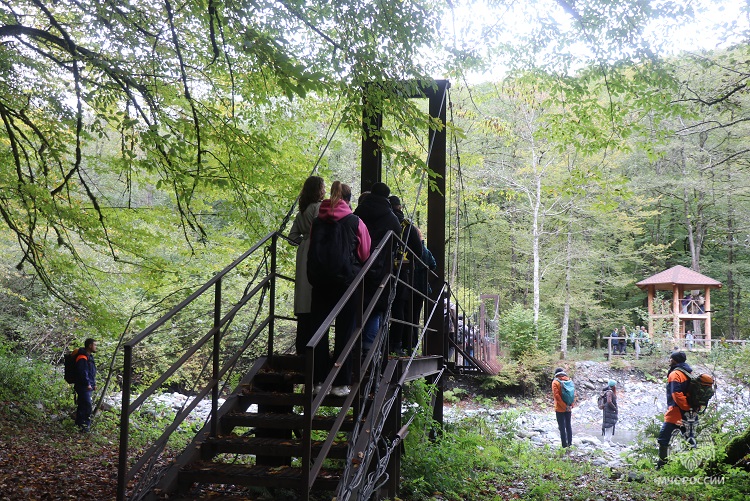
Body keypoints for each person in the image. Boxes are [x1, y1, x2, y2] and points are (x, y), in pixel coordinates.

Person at [309, 181, 371, 397]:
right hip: (347, 282)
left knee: (319, 330)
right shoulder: (356, 221)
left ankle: (317, 382)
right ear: (349, 199)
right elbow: (364, 253)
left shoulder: (317, 221)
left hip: (319, 282)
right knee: (345, 331)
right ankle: (340, 384)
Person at [353, 182, 400, 352]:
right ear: (387, 197)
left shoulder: (358, 213)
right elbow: (397, 239)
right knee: (376, 306)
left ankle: (351, 348)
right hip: (381, 267)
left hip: (357, 264)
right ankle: (368, 349)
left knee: (355, 304)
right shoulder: (391, 217)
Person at [289, 175, 325, 354]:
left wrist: (304, 239)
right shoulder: (319, 208)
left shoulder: (301, 212)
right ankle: (315, 347)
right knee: (315, 297)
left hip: (303, 252)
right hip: (316, 251)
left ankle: (301, 346)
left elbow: (292, 237)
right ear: (318, 189)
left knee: (303, 298)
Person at [388, 195, 423, 353]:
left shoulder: (382, 220)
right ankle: (396, 344)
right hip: (401, 271)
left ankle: (375, 345)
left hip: (379, 269)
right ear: (399, 207)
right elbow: (419, 252)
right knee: (399, 308)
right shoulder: (407, 226)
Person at [656, 351, 693, 468]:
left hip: (677, 413)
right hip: (690, 412)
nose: (669, 360)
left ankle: (662, 464)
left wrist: (685, 407)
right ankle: (693, 465)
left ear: (675, 360)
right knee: (690, 439)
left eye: (670, 358)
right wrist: (690, 408)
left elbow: (676, 394)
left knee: (663, 438)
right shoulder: (688, 372)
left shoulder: (675, 374)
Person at [75, 338, 97, 432]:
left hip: (88, 386)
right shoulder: (82, 357)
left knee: (82, 405)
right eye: (95, 345)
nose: (96, 347)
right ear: (90, 345)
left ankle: (79, 425)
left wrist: (93, 384)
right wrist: (87, 384)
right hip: (83, 386)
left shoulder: (89, 357)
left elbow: (91, 372)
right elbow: (82, 372)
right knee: (87, 406)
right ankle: (84, 427)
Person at [551, 367, 574, 448]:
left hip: (559, 408)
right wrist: (571, 405)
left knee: (562, 426)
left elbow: (556, 396)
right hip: (568, 407)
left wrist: (563, 406)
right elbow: (573, 393)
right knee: (568, 425)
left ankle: (564, 445)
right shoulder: (568, 380)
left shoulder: (555, 382)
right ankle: (570, 443)